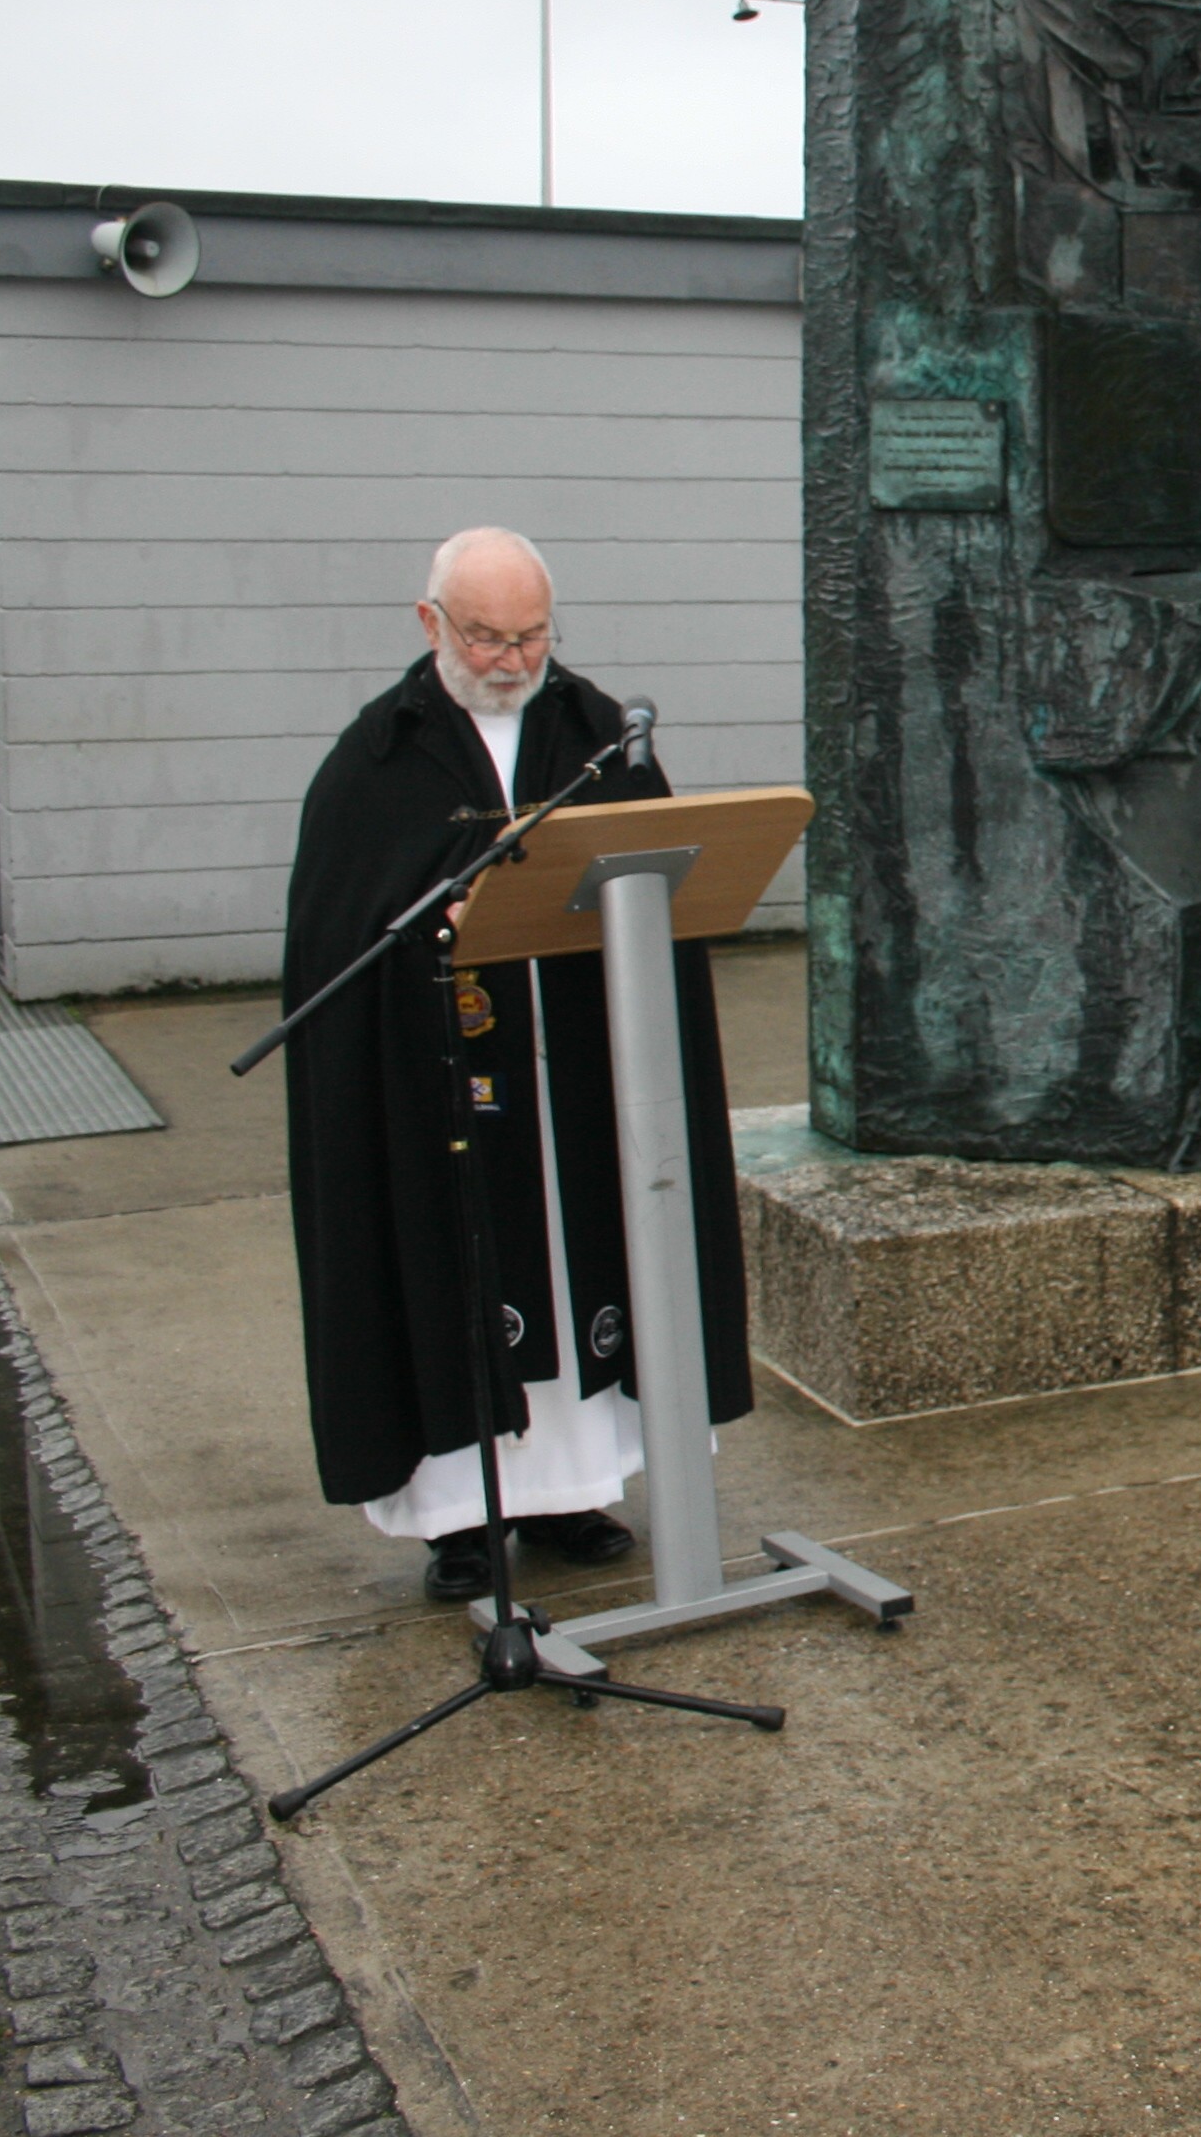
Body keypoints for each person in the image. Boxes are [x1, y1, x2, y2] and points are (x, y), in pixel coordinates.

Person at [282, 528, 754, 1604]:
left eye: (531, 635)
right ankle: (460, 1519)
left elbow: (662, 880)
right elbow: (343, 929)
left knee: (589, 1256)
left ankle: (572, 1494)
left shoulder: (595, 735)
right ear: (430, 624)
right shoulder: (380, 758)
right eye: (486, 636)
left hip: (579, 1069)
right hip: (444, 1077)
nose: (509, 659)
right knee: (457, 1262)